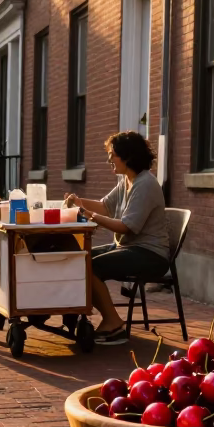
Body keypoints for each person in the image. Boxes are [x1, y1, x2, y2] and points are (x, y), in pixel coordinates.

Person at [64, 131, 170, 345]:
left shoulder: (145, 184)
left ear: (128, 156)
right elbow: (106, 205)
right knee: (77, 258)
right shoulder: (127, 180)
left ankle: (113, 322)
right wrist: (78, 201)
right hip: (129, 247)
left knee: (90, 266)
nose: (109, 159)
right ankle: (77, 310)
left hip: (150, 254)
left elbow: (126, 226)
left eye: (112, 154)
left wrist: (90, 216)